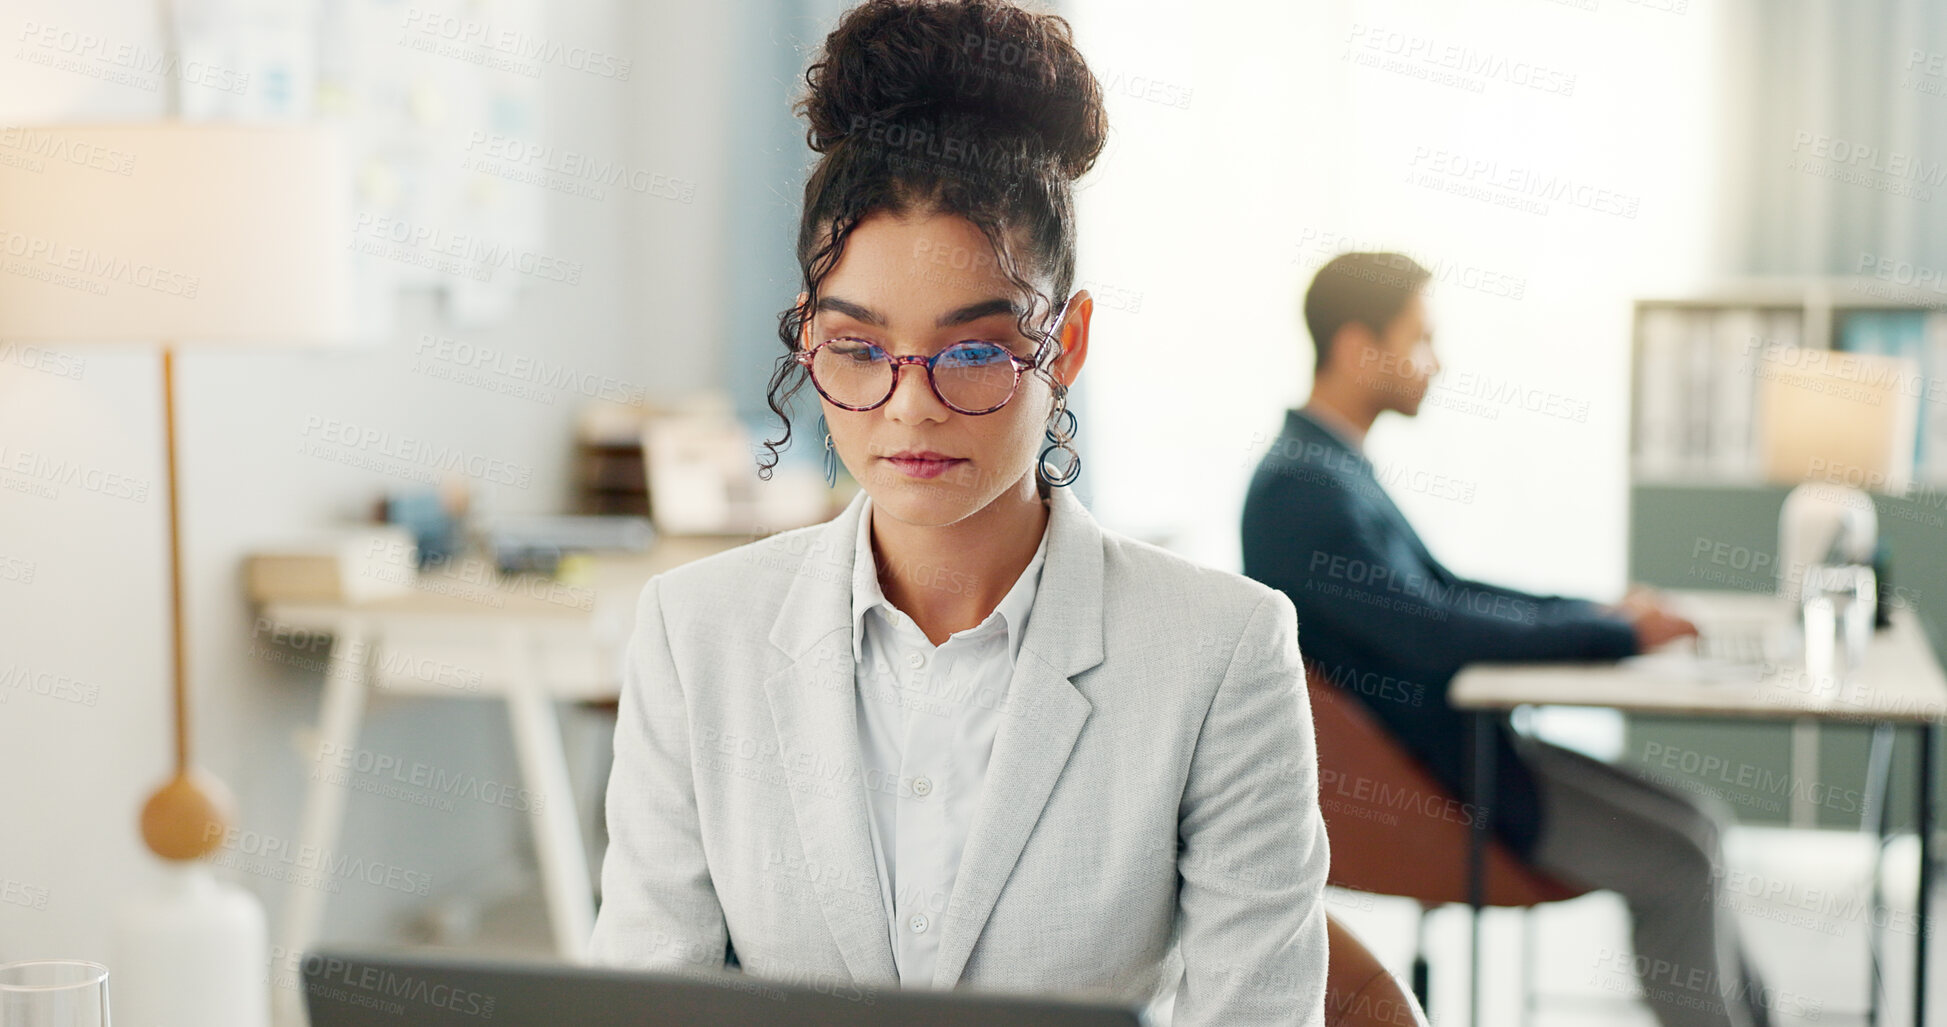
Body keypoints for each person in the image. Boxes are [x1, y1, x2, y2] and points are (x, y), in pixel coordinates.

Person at [589, 3, 1331, 1023]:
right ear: (808, 338)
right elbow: (645, 1000)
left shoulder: (1222, 651)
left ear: (1065, 347)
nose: (909, 405)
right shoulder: (693, 633)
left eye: (975, 351)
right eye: (857, 348)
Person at [1242, 252, 1776, 1027]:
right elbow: (1433, 632)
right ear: (1359, 347)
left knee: (1702, 824)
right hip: (1434, 782)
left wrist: (1599, 614)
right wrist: (1609, 632)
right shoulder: (1301, 490)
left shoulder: (1327, 469)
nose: (1437, 362)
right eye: (1420, 338)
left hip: (1468, 752)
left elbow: (1444, 594)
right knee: (1680, 860)